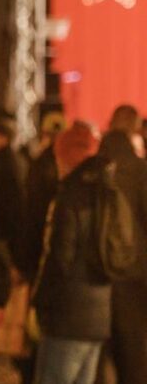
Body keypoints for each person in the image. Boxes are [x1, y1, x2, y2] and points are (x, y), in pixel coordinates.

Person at [31, 122, 117, 384]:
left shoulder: (69, 198)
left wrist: (41, 302)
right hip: (100, 312)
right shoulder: (109, 194)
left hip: (67, 315)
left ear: (68, 158)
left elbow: (60, 259)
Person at [99, 105, 147, 384]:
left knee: (96, 358)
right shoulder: (140, 170)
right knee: (133, 356)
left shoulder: (92, 165)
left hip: (95, 276)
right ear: (134, 129)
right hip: (134, 274)